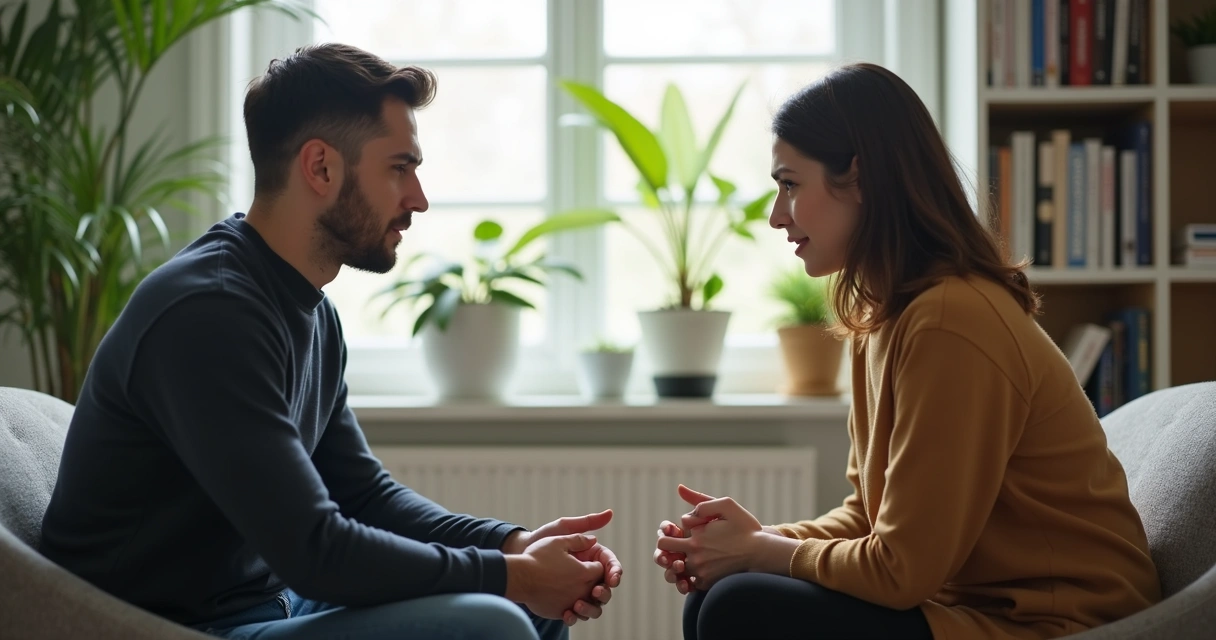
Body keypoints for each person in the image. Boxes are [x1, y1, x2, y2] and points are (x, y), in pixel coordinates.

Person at [39, 43, 621, 640]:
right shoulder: (208, 313)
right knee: (495, 619)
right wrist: (510, 576)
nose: (418, 198)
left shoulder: (309, 310)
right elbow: (313, 549)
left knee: (523, 608)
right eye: (399, 168)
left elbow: (363, 494)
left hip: (270, 605)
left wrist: (513, 545)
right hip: (167, 627)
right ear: (320, 167)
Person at [652, 62, 1161, 640]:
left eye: (790, 184)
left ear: (860, 178)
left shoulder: (951, 321)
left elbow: (901, 569)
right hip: (968, 606)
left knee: (738, 605)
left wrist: (759, 552)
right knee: (721, 595)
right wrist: (747, 543)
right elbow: (869, 518)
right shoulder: (885, 317)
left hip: (1059, 622)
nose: (777, 215)